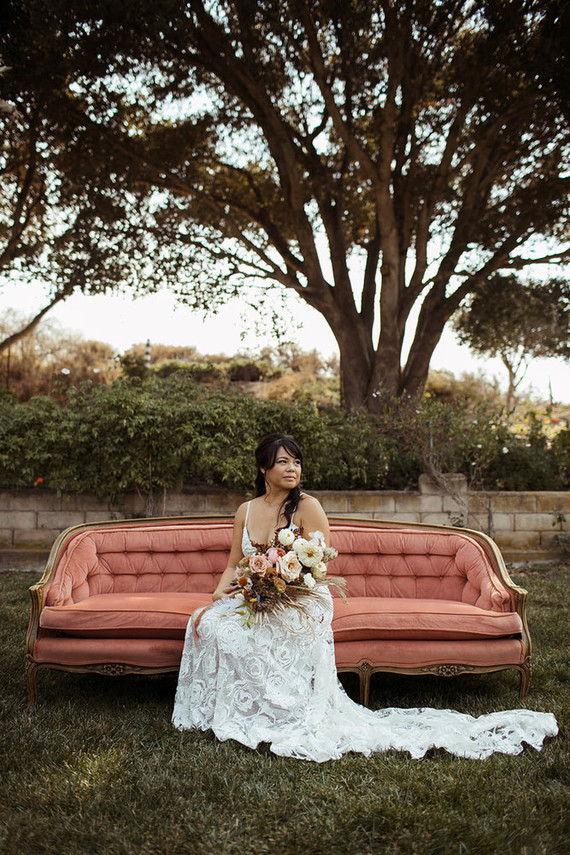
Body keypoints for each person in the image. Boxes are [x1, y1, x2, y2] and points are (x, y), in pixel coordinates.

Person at [172, 433, 558, 762]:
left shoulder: (307, 506)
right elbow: (233, 564)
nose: (293, 469)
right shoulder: (246, 509)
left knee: (255, 629)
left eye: (297, 462)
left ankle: (283, 711)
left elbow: (318, 564)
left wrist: (283, 585)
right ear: (263, 469)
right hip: (262, 591)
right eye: (283, 462)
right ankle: (242, 707)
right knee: (209, 624)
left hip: (303, 595)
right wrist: (222, 589)